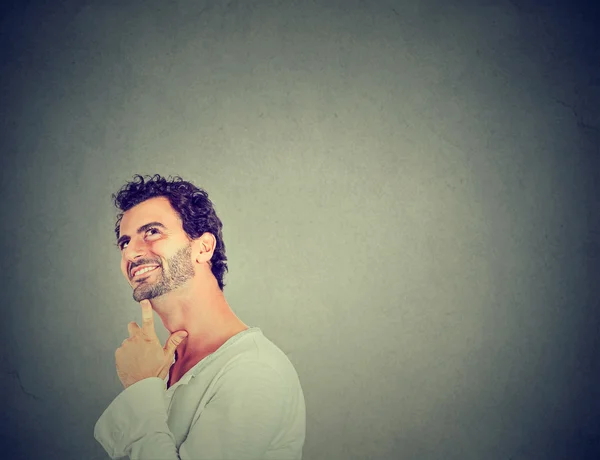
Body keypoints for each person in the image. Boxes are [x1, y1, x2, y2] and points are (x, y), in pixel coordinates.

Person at [94, 174, 306, 460]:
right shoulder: (160, 365)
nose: (130, 252)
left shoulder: (255, 371)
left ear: (204, 248)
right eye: (124, 243)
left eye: (152, 232)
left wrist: (141, 389)